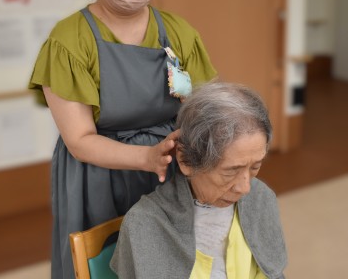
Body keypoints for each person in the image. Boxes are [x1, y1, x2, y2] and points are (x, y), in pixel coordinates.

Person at [28, 0, 217, 279]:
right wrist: (146, 157)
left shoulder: (178, 32)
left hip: (170, 171)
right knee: (106, 265)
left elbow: (206, 108)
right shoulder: (69, 42)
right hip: (98, 179)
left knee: (173, 263)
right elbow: (80, 140)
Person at [111, 81, 288, 279]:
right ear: (185, 159)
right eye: (231, 171)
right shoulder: (146, 223)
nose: (245, 187)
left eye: (255, 166)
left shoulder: (261, 197)